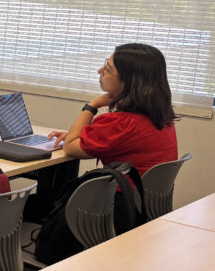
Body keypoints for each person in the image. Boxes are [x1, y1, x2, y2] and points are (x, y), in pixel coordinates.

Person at [47, 43, 178, 174]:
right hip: (143, 187)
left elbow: (70, 148)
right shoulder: (161, 117)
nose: (100, 71)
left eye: (108, 70)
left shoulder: (123, 124)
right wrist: (80, 137)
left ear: (128, 81)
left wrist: (92, 106)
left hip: (122, 187)